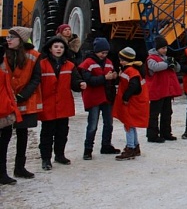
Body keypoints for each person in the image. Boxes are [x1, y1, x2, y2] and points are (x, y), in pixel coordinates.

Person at [35, 36, 87, 170]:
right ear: (50, 49)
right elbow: (36, 83)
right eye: (56, 47)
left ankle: (60, 155)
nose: (59, 49)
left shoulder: (70, 65)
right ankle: (46, 159)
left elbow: (74, 81)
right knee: (47, 133)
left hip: (64, 104)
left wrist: (80, 84)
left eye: (62, 47)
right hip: (48, 105)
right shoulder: (42, 64)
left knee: (62, 132)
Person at [1, 27, 41, 182]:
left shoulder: (34, 56)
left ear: (21, 40)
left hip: (23, 99)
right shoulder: (3, 55)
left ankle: (19, 167)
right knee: (4, 137)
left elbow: (36, 78)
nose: (8, 39)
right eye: (8, 37)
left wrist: (22, 95)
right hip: (5, 101)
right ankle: (2, 172)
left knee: (22, 134)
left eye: (12, 37)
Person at [78, 37, 120, 160]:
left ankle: (106, 145)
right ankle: (88, 150)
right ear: (96, 51)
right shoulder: (87, 63)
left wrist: (114, 77)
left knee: (109, 123)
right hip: (93, 97)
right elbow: (89, 80)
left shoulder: (109, 62)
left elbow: (110, 77)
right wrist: (105, 78)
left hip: (107, 97)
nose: (104, 55)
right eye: (102, 52)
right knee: (92, 125)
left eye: (106, 52)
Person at [112, 47, 149, 161]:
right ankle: (135, 146)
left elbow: (134, 86)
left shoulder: (130, 71)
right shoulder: (134, 70)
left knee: (128, 124)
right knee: (131, 124)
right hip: (136, 102)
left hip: (132, 103)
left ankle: (130, 148)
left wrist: (126, 97)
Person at [145, 36, 182, 143]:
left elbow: (178, 68)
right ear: (157, 48)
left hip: (166, 91)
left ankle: (166, 133)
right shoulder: (151, 58)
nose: (165, 50)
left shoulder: (166, 58)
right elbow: (155, 67)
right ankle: (152, 135)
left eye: (166, 48)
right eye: (162, 48)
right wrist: (167, 64)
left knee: (167, 112)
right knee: (154, 114)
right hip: (157, 91)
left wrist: (173, 63)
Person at [0, 40, 23, 185]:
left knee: (4, 144)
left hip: (6, 110)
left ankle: (2, 173)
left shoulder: (3, 67)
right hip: (4, 110)